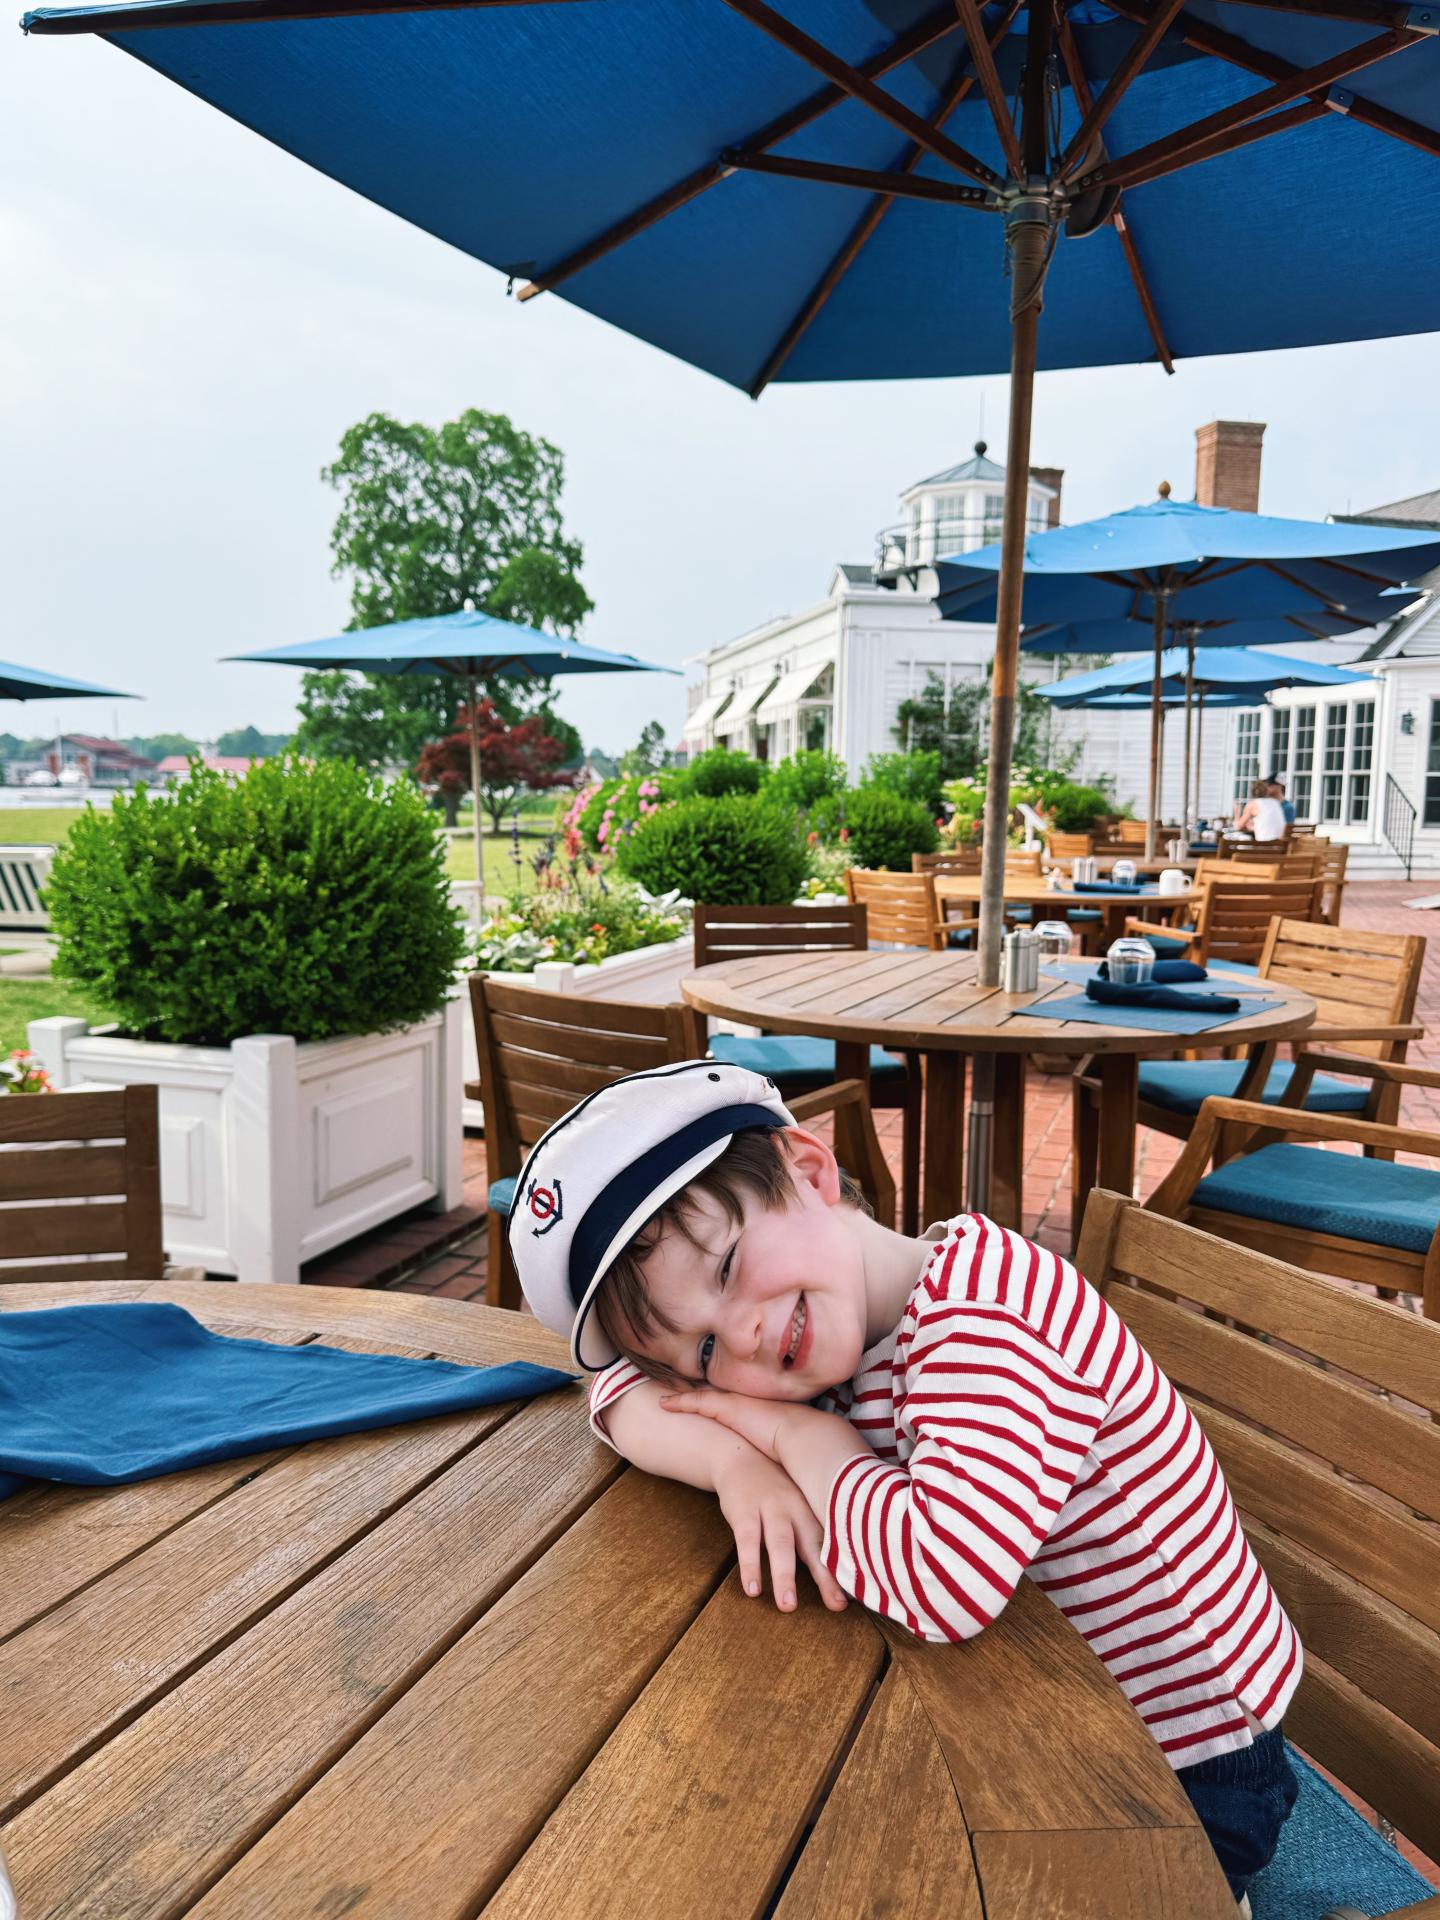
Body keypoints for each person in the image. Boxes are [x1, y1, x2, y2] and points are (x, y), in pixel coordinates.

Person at [512, 1061, 1301, 1910]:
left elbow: (942, 1580)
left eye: (730, 1268)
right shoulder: (827, 1320)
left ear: (810, 1172)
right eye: (703, 1350)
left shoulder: (986, 1320)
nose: (741, 1338)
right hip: (1019, 1700)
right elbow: (620, 1391)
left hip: (1184, 1764)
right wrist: (731, 1463)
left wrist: (796, 1438)